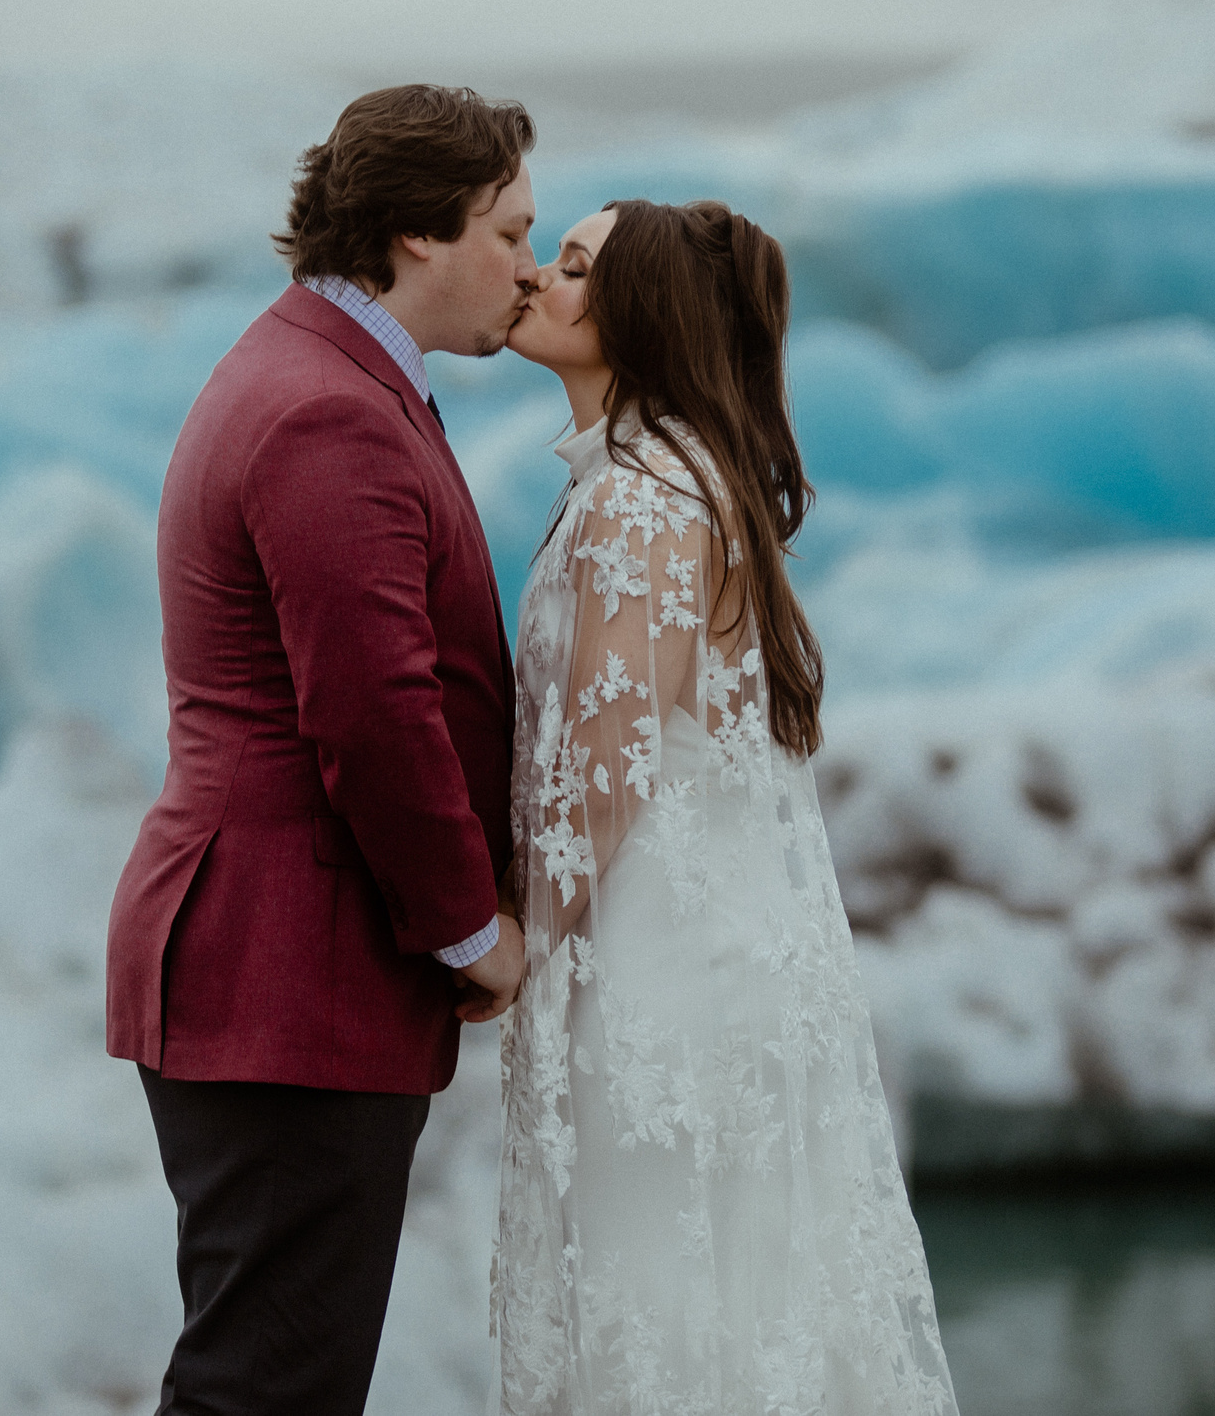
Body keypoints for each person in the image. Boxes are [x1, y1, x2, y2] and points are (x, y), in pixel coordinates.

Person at [106, 84, 535, 1416]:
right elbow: (372, 711)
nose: (528, 267)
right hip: (285, 973)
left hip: (275, 972)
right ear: (417, 235)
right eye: (511, 233)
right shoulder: (327, 410)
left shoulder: (316, 372)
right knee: (264, 1391)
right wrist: (470, 929)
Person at [495, 199, 958, 1414]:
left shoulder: (642, 498)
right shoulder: (667, 478)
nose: (539, 279)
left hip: (658, 977)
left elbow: (609, 759)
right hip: (678, 956)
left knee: (669, 1319)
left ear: (637, 314)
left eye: (575, 267)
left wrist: (517, 945)